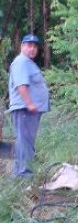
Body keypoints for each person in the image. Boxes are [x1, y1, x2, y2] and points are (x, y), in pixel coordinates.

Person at [8, 34, 50, 178]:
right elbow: (21, 85)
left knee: (24, 140)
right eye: (29, 45)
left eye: (35, 46)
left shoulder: (27, 63)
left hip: (27, 109)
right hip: (24, 108)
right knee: (25, 141)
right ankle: (24, 174)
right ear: (22, 46)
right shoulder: (21, 62)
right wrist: (30, 103)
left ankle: (19, 173)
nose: (32, 48)